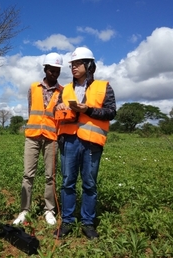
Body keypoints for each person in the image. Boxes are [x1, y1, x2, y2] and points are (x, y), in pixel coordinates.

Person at [53, 47, 116, 239]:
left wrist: (88, 109)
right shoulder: (65, 89)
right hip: (69, 141)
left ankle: (88, 223)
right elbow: (56, 109)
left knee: (89, 184)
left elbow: (111, 112)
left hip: (91, 143)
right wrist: (61, 106)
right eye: (72, 64)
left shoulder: (104, 87)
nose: (73, 67)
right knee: (67, 183)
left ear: (89, 66)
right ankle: (68, 221)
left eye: (78, 64)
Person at [13, 53, 63, 226]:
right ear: (45, 69)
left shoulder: (62, 91)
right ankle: (24, 210)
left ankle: (49, 210)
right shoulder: (33, 87)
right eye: (51, 70)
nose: (54, 74)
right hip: (33, 136)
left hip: (52, 138)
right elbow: (30, 110)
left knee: (51, 176)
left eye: (57, 71)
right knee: (28, 175)